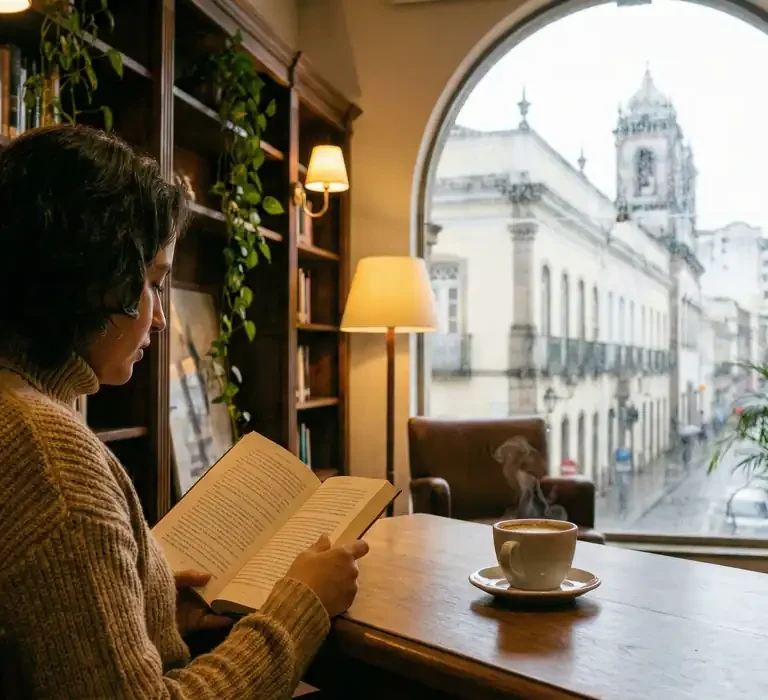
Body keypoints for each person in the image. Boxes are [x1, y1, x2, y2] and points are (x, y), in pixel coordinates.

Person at [0, 125, 368, 698]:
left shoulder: (20, 412)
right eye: (151, 282)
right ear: (94, 281)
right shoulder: (50, 455)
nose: (164, 318)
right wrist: (300, 607)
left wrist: (153, 606)